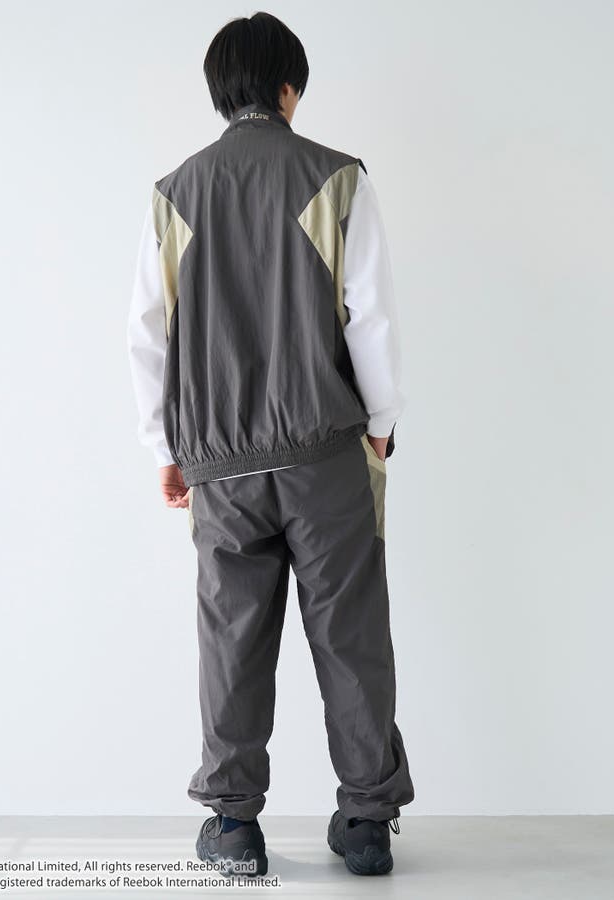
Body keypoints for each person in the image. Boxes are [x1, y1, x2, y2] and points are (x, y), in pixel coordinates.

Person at [126, 10, 415, 879]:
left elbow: (147, 333)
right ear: (290, 87)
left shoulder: (174, 193)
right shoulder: (338, 178)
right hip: (326, 453)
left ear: (223, 92)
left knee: (232, 638)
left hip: (221, 465)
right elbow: (370, 315)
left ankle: (232, 826)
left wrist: (164, 446)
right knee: (350, 633)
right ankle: (365, 823)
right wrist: (381, 423)